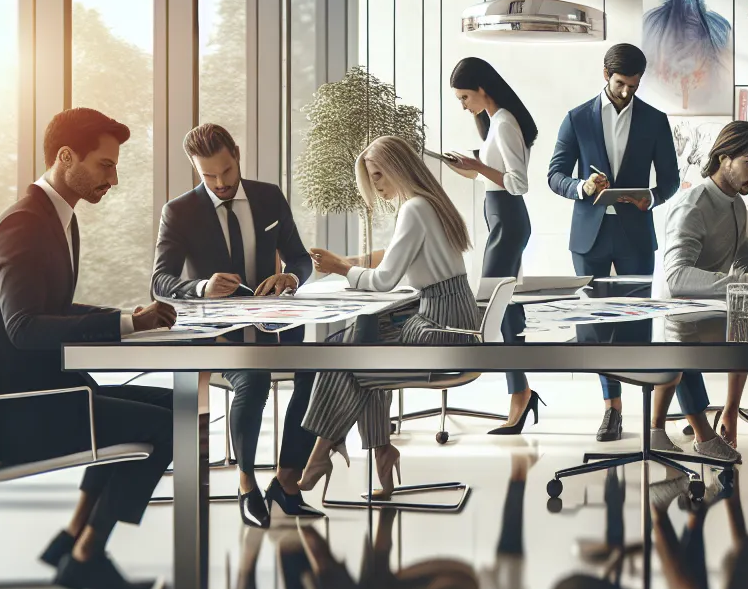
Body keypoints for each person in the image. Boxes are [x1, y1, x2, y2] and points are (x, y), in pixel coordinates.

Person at [0, 108, 176, 589]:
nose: (114, 177)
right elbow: (23, 328)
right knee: (173, 424)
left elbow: (54, 308)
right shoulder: (23, 225)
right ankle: (86, 556)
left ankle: (72, 537)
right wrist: (125, 324)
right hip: (21, 413)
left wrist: (131, 317)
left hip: (47, 394)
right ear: (66, 157)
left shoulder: (57, 217)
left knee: (176, 406)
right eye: (105, 165)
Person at [151, 123, 320, 529]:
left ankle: (287, 481)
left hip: (275, 326)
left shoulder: (268, 198)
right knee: (254, 378)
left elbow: (300, 258)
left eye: (225, 171)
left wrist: (291, 279)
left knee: (318, 373)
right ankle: (247, 485)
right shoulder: (179, 211)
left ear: (237, 155)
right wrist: (201, 286)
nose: (220, 183)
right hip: (219, 334)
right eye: (207, 175)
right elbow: (160, 281)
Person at [301, 136, 478, 498]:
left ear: (398, 169)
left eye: (379, 175)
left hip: (441, 326)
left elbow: (384, 281)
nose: (377, 185)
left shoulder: (414, 209)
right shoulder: (429, 204)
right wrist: (351, 262)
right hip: (450, 313)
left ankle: (323, 454)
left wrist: (339, 268)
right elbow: (398, 252)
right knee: (352, 343)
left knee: (350, 362)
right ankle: (378, 451)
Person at [548, 43, 682, 442]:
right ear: (605, 74)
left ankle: (646, 416)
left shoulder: (655, 121)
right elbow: (555, 175)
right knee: (593, 325)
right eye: (621, 84)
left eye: (634, 86)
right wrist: (581, 186)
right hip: (588, 235)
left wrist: (652, 198)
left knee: (636, 322)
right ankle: (612, 408)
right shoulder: (576, 119)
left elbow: (671, 180)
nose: (626, 92)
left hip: (635, 234)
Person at [655, 121, 748, 462]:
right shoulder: (693, 205)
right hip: (677, 309)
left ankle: (657, 431)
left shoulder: (735, 204)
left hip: (707, 305)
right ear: (723, 158)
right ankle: (703, 437)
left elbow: (743, 257)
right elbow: (676, 278)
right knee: (693, 346)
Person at [444, 56, 542, 434]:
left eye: (465, 97)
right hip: (499, 217)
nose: (463, 105)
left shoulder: (504, 122)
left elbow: (518, 183)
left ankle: (520, 393)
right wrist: (472, 167)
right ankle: (521, 393)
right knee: (508, 311)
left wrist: (478, 167)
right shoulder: (495, 123)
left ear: (483, 89)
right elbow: (494, 178)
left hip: (509, 219)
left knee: (493, 310)